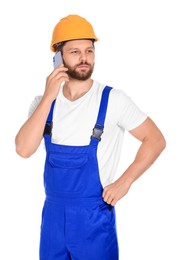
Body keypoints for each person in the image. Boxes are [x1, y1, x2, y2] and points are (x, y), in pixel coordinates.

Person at [15, 14, 166, 260]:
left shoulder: (113, 100)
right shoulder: (43, 104)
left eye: (89, 50)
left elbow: (156, 139)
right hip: (53, 220)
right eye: (74, 52)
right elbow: (23, 149)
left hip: (94, 220)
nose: (84, 58)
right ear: (58, 57)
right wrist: (49, 96)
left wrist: (125, 181)